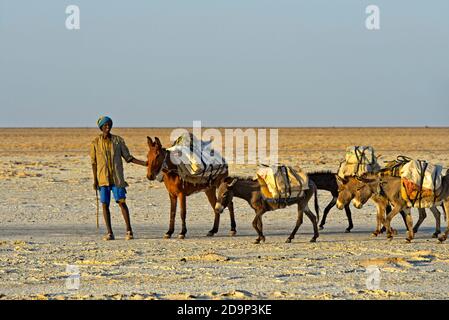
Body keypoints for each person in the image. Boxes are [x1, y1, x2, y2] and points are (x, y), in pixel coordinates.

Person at [90, 116, 147, 240]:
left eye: (109, 125)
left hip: (117, 179)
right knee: (105, 205)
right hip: (102, 179)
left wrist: (145, 163)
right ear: (101, 127)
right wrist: (95, 180)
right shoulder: (95, 143)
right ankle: (110, 233)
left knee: (122, 203)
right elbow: (94, 163)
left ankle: (129, 231)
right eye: (105, 125)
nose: (107, 127)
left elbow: (128, 158)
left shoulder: (118, 141)